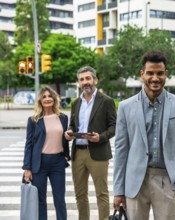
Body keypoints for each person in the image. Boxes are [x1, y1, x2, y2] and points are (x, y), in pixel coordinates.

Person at [113, 50, 175, 220]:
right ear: (142, 74)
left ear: (166, 74)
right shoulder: (125, 107)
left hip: (168, 180)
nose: (155, 78)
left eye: (159, 73)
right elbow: (121, 150)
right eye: (150, 73)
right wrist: (118, 190)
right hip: (135, 182)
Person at [64, 66, 117, 220]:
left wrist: (100, 137)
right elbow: (73, 125)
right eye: (82, 79)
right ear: (79, 82)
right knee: (80, 194)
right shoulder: (75, 103)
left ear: (95, 80)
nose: (85, 82)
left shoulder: (106, 101)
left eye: (88, 78)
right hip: (78, 153)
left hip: (98, 152)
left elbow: (114, 127)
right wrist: (69, 132)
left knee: (101, 193)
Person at [22, 86, 70, 220]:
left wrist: (66, 153)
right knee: (40, 200)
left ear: (54, 99)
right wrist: (27, 167)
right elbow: (29, 145)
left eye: (50, 96)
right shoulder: (34, 120)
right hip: (39, 163)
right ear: (40, 101)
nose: (47, 99)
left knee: (60, 199)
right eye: (44, 97)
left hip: (58, 163)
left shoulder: (63, 118)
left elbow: (65, 138)